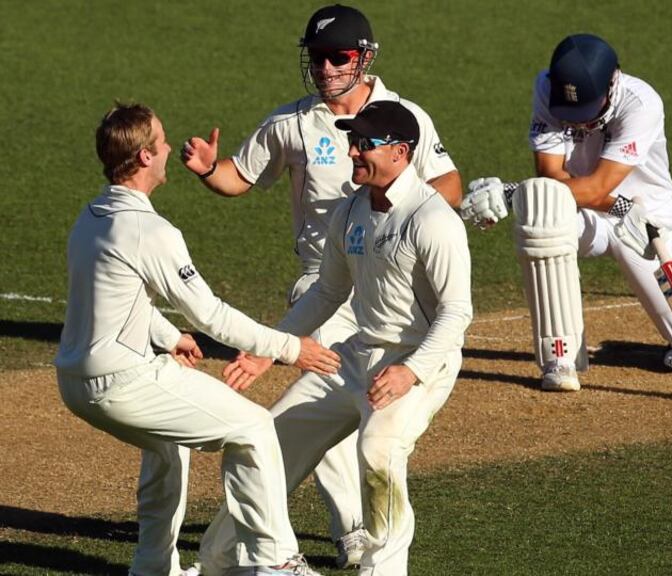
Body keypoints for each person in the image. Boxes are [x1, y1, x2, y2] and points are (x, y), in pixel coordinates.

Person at [179, 4, 461, 568]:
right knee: (267, 443)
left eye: (339, 56)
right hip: (340, 321)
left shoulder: (428, 212)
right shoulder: (345, 200)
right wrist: (268, 351)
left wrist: (411, 369)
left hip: (405, 350)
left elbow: (457, 314)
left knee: (378, 448)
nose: (327, 67)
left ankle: (369, 548)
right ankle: (215, 563)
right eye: (318, 57)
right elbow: (327, 293)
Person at [55, 103, 340, 576]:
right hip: (121, 380)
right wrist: (291, 348)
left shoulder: (90, 217)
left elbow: (111, 294)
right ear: (146, 157)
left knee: (169, 446)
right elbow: (211, 315)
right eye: (161, 141)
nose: (168, 148)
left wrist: (167, 335)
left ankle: (152, 568)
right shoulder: (150, 230)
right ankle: (276, 563)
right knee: (252, 428)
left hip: (76, 384)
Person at [460, 33, 672, 391]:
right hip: (584, 208)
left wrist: (512, 192)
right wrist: (531, 197)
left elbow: (599, 185)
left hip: (643, 216)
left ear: (613, 83)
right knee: (541, 213)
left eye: (587, 111)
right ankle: (559, 359)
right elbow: (551, 178)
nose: (578, 122)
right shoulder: (547, 89)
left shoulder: (642, 104)